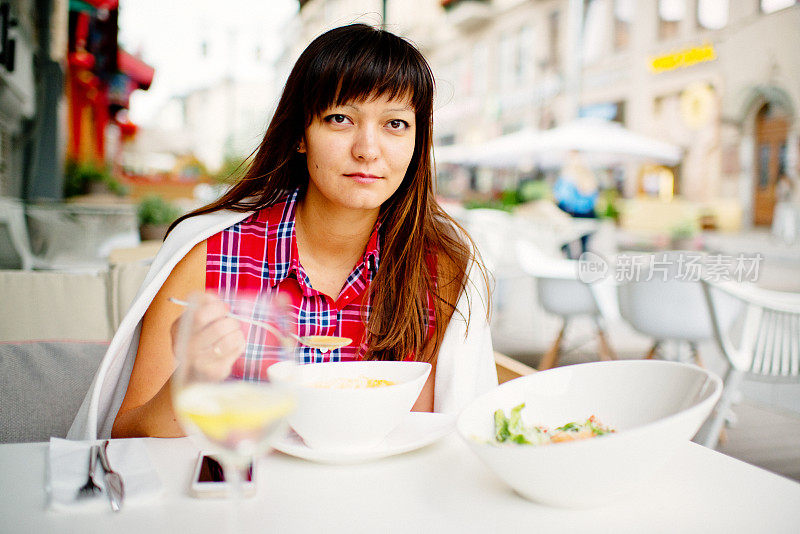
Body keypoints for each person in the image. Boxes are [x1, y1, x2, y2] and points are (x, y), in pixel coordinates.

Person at [68, 24, 497, 440]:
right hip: (235, 499)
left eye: (395, 124)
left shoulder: (439, 272)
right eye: (340, 118)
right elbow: (124, 437)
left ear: (418, 141)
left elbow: (439, 437)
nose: (367, 149)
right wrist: (193, 379)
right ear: (300, 136)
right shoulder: (210, 256)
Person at [552, 151, 598, 258]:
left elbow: (588, 194)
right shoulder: (567, 176)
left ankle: (575, 263)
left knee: (579, 244)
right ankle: (570, 262)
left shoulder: (580, 176)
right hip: (573, 213)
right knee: (567, 242)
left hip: (578, 213)